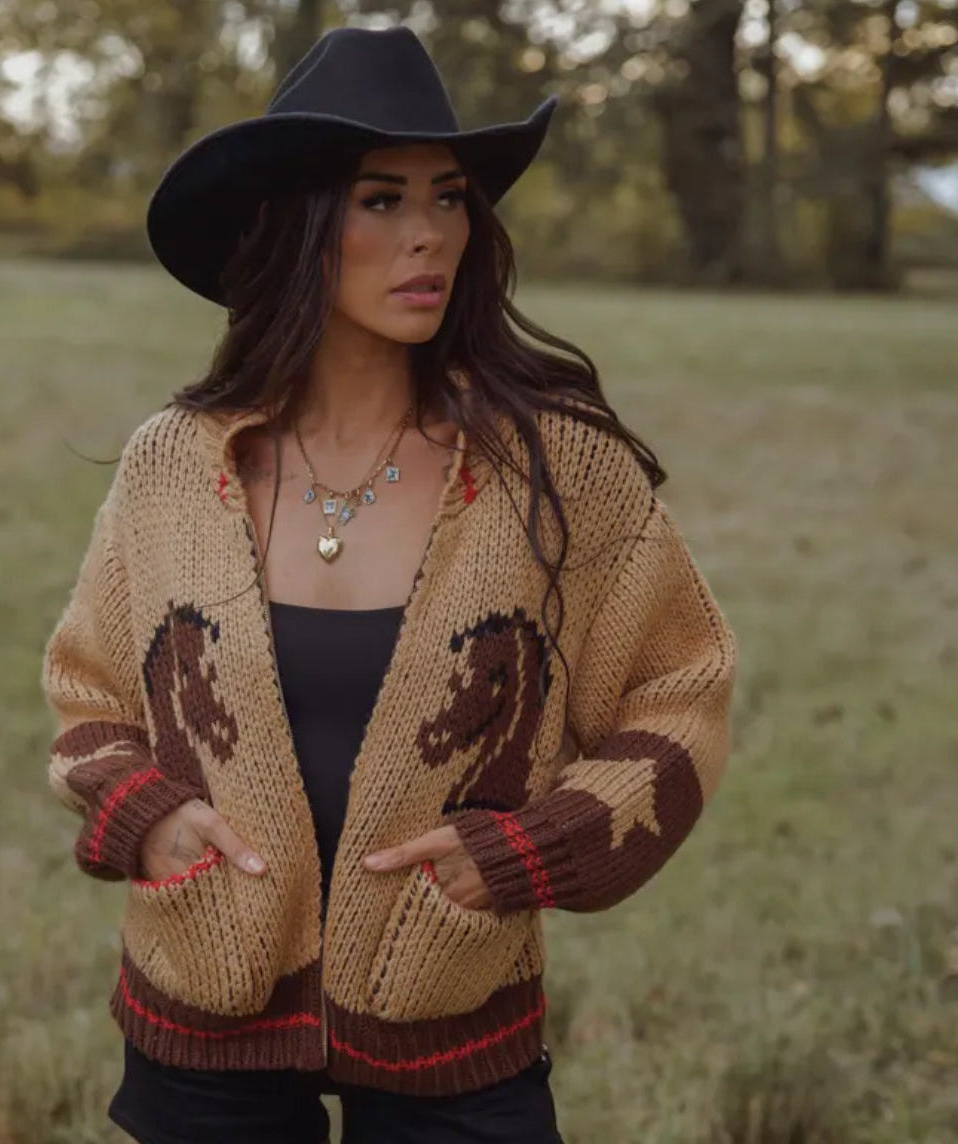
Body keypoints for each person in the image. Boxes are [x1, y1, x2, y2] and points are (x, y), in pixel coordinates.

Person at [39, 23, 739, 1144]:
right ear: (296, 224)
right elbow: (91, 692)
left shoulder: (558, 469)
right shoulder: (175, 461)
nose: (429, 235)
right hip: (203, 1000)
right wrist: (145, 816)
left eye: (449, 197)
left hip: (451, 1008)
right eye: (379, 199)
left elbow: (680, 689)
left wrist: (527, 848)